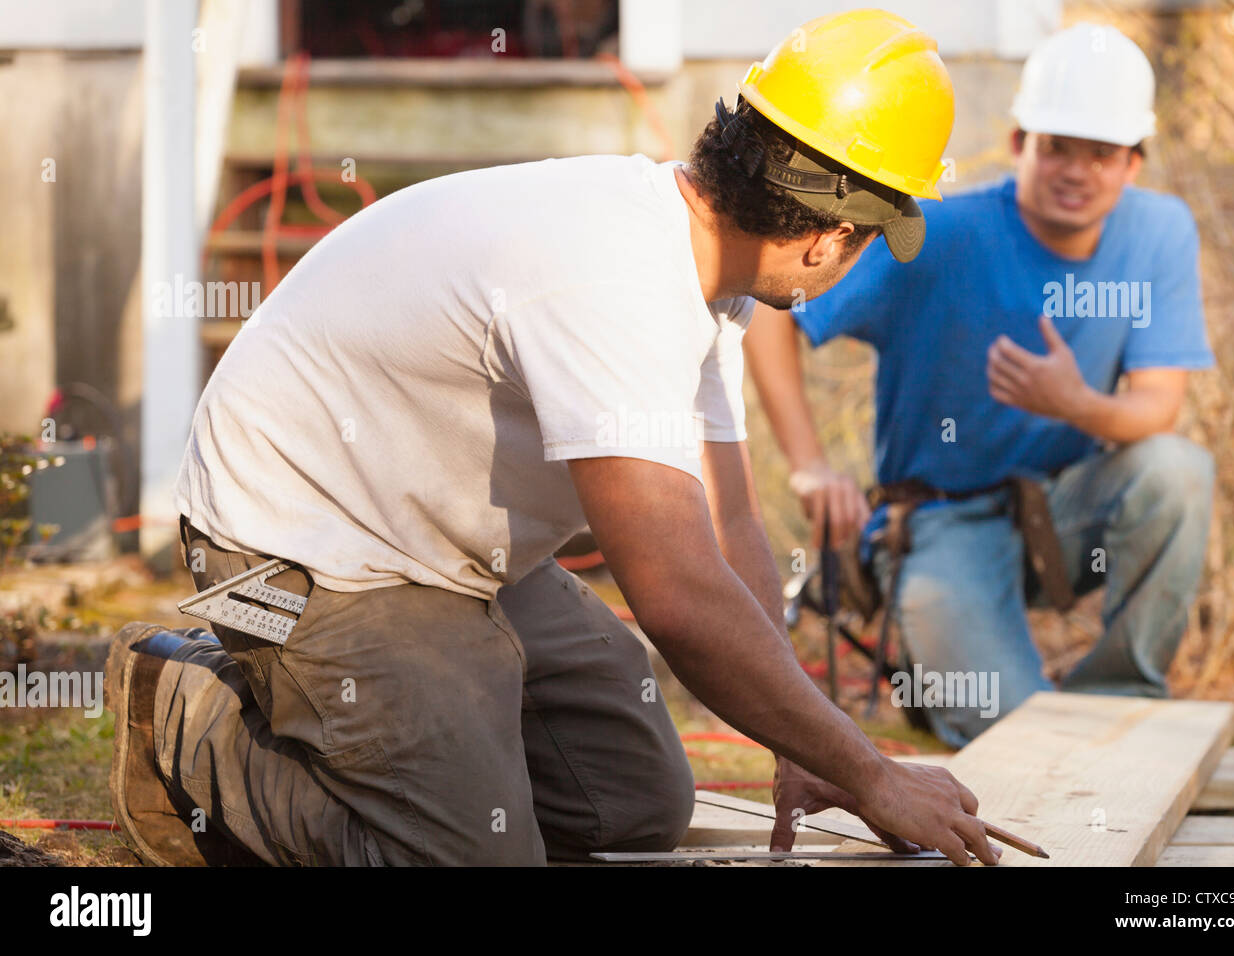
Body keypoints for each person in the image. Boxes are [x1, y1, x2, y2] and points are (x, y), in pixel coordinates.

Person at [106, 10, 1002, 866]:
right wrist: (872, 775)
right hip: (293, 553)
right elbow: (680, 599)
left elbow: (729, 534)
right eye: (869, 244)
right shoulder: (615, 281)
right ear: (828, 238)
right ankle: (186, 713)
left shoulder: (706, 275)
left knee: (633, 805)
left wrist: (803, 744)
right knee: (478, 858)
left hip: (438, 548)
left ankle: (416, 754)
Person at [745, 23, 1214, 750]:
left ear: (1133, 164)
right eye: (1058, 146)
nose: (1076, 170)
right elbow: (773, 312)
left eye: (1102, 154)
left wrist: (1075, 404)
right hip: (942, 520)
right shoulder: (934, 233)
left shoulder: (1160, 233)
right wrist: (809, 463)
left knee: (1178, 470)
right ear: (1021, 143)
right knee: (1021, 738)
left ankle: (1118, 699)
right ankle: (954, 681)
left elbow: (1160, 407)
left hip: (1064, 510)